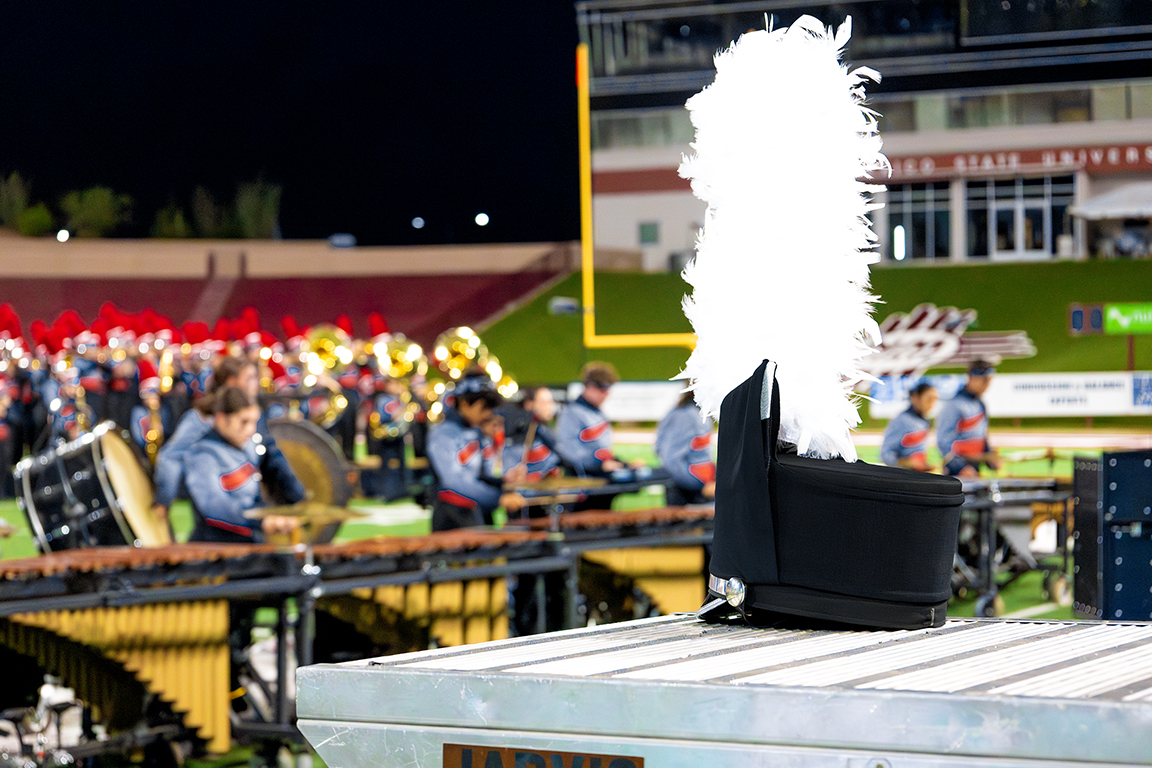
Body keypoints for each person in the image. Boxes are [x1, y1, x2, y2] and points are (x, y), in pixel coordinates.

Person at [153, 355, 304, 522]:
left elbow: (269, 454)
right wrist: (164, 500)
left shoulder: (251, 413)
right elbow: (171, 457)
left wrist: (295, 493)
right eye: (250, 378)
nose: (256, 384)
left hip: (243, 496)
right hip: (213, 496)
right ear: (232, 381)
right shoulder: (202, 418)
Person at [182, 387, 297, 543]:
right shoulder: (202, 455)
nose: (251, 430)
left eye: (254, 422)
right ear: (221, 418)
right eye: (244, 422)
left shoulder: (247, 446)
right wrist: (260, 521)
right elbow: (214, 505)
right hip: (217, 547)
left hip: (249, 541)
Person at [426, 372, 526, 531]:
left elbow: (478, 475)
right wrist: (498, 498)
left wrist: (503, 480)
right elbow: (453, 482)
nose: (489, 414)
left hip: (477, 512)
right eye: (485, 407)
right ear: (465, 403)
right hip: (452, 517)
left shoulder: (475, 431)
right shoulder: (442, 434)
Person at [555, 361, 644, 478]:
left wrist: (624, 463)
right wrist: (598, 465)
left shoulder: (597, 412)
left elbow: (602, 452)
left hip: (601, 470)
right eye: (604, 390)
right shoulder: (572, 413)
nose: (607, 395)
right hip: (584, 477)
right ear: (591, 387)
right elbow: (567, 450)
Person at [937, 360, 1001, 478]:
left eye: (989, 380)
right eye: (984, 380)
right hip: (957, 472)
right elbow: (943, 441)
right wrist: (960, 467)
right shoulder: (954, 405)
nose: (987, 385)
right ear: (971, 378)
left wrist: (990, 457)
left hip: (975, 469)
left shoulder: (980, 404)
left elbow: (982, 438)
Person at [655, 391, 716, 505]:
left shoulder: (695, 413)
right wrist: (701, 486)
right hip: (689, 492)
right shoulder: (686, 416)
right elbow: (670, 458)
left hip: (700, 487)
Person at [499, 386, 561, 484]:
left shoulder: (541, 432)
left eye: (551, 402)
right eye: (545, 402)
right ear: (529, 405)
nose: (550, 406)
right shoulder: (520, 435)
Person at [880, 381, 938, 471]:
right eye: (929, 399)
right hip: (903, 477)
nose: (932, 404)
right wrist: (907, 463)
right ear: (915, 398)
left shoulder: (924, 422)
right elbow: (885, 455)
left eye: (934, 400)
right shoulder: (901, 421)